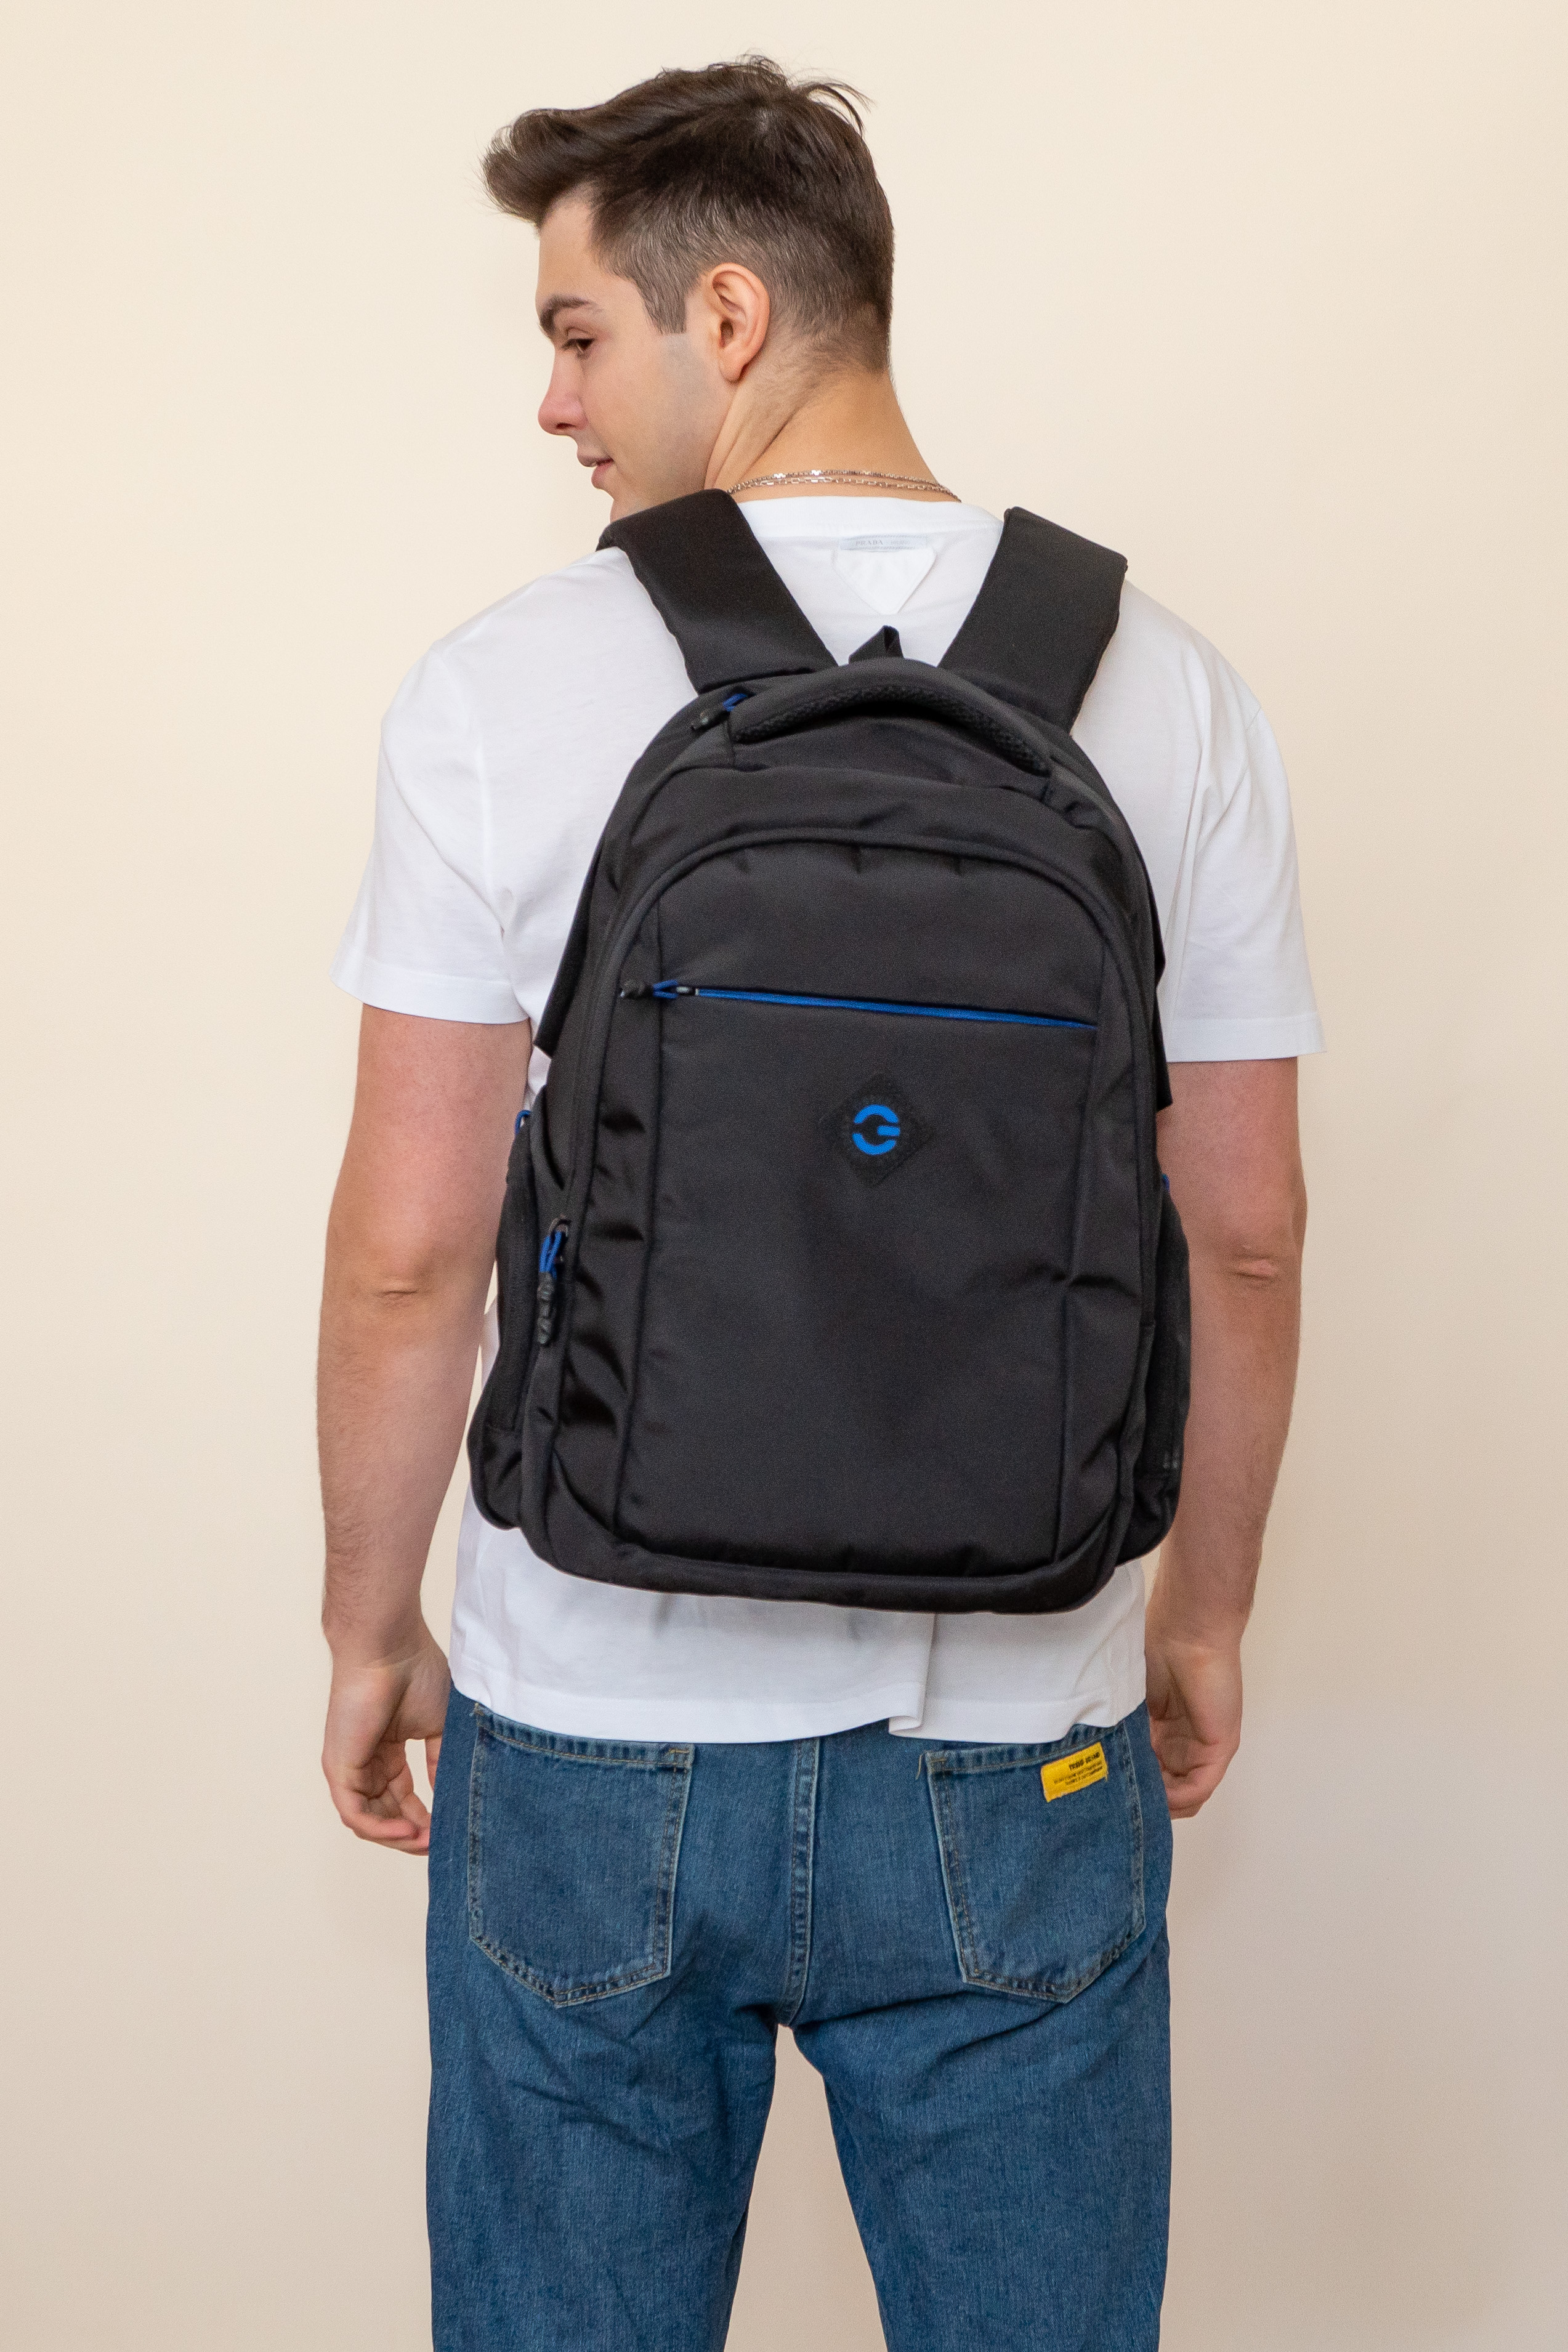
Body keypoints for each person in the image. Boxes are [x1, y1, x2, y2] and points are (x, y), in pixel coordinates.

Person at [318, 58, 1318, 2352]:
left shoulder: (502, 690)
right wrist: (1202, 1617)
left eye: (577, 333)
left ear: (731, 315)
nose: (552, 404)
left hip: (591, 1729)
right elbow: (1246, 1230)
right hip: (1018, 1726)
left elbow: (408, 1250)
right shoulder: (1167, 693)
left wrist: (372, 1628)